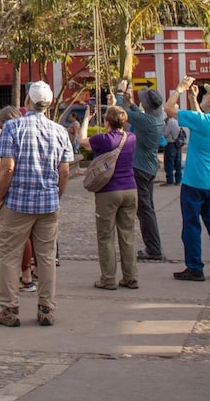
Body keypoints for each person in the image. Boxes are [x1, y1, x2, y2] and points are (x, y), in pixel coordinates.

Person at [0, 81, 72, 328]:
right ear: (48, 104)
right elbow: (65, 171)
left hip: (18, 202)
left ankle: (9, 309)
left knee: (9, 255)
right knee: (46, 257)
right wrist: (57, 195)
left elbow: (7, 167)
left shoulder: (13, 127)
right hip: (47, 202)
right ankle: (46, 308)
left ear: (27, 101)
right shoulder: (59, 131)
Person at [164, 77, 210, 282]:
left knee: (191, 225)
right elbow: (200, 119)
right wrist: (194, 100)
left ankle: (194, 266)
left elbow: (168, 108)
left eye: (204, 95)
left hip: (194, 182)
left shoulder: (202, 121)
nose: (202, 96)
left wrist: (180, 89)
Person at [81, 105, 138, 290]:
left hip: (108, 191)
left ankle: (108, 278)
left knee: (106, 236)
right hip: (130, 189)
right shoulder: (131, 138)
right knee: (127, 234)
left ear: (107, 122)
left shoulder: (104, 140)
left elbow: (82, 141)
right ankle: (130, 277)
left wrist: (86, 120)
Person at [123, 87, 165, 262]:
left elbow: (121, 114)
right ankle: (153, 247)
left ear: (146, 105)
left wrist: (118, 97)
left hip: (140, 169)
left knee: (145, 210)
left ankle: (153, 249)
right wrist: (131, 104)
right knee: (148, 208)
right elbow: (135, 114)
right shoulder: (156, 118)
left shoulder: (147, 121)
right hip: (148, 167)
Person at [163, 107, 185, 186]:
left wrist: (164, 124)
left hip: (171, 143)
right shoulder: (178, 120)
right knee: (178, 162)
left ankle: (170, 180)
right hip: (178, 143)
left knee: (169, 162)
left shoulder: (170, 122)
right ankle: (178, 180)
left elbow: (165, 133)